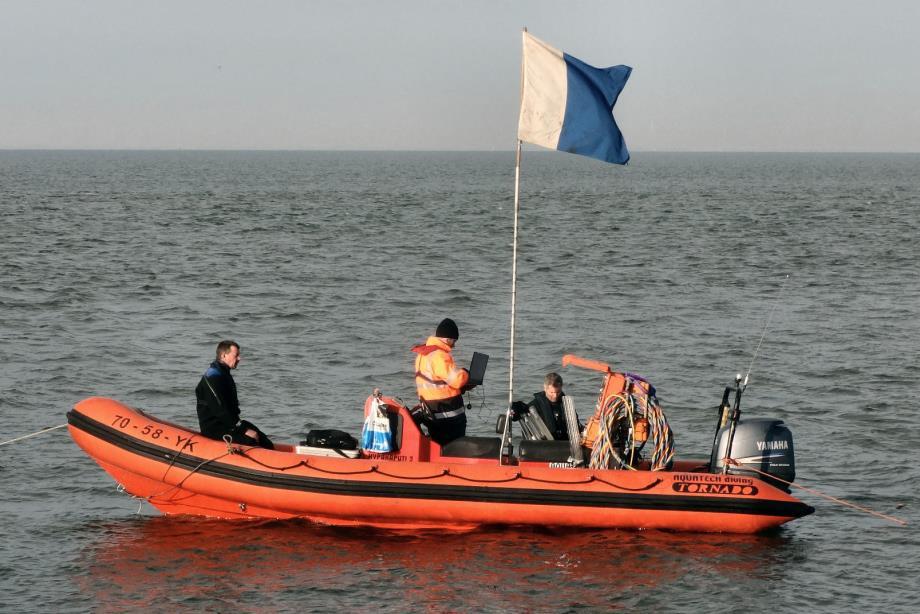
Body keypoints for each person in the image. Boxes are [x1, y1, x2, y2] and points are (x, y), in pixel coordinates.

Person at [195, 340, 273, 449]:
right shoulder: (212, 377)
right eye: (236, 355)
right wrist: (243, 430)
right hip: (215, 429)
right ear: (223, 355)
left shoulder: (223, 374)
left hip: (229, 425)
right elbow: (221, 411)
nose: (239, 358)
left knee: (264, 440)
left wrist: (242, 427)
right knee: (252, 440)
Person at [411, 318, 474, 445]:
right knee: (454, 447)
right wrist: (466, 374)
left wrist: (461, 389)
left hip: (432, 411)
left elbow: (435, 383)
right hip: (446, 414)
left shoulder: (423, 354)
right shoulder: (439, 355)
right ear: (447, 339)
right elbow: (457, 380)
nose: (454, 345)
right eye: (454, 341)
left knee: (439, 446)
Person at [513, 372, 576, 441]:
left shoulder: (567, 404)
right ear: (545, 388)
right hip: (544, 445)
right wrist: (514, 410)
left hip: (565, 444)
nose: (555, 396)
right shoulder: (534, 405)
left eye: (558, 392)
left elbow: (576, 426)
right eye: (552, 392)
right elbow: (517, 416)